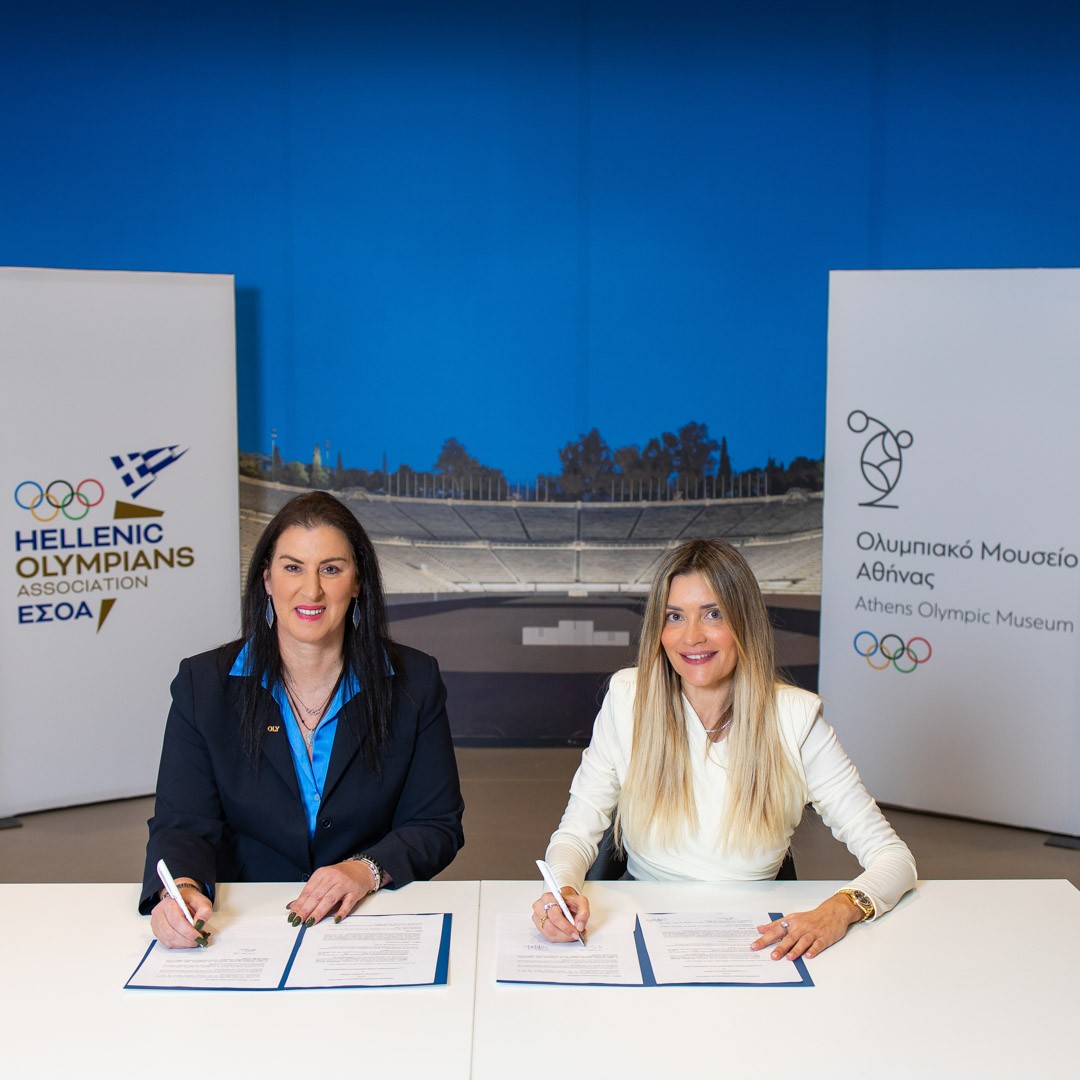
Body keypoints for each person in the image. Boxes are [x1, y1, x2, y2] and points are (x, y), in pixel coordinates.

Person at [533, 537, 915, 961]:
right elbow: (575, 833)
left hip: (757, 942)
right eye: (675, 616)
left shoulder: (796, 718)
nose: (692, 636)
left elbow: (894, 859)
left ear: (744, 622)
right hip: (637, 923)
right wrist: (561, 890)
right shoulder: (628, 698)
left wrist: (838, 910)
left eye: (713, 614)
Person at [141, 491, 464, 948]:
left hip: (366, 915)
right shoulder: (203, 684)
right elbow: (182, 823)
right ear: (267, 579)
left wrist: (366, 869)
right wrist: (182, 890)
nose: (311, 591)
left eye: (330, 569)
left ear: (357, 582)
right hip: (243, 921)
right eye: (293, 567)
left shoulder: (415, 680)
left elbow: (436, 824)